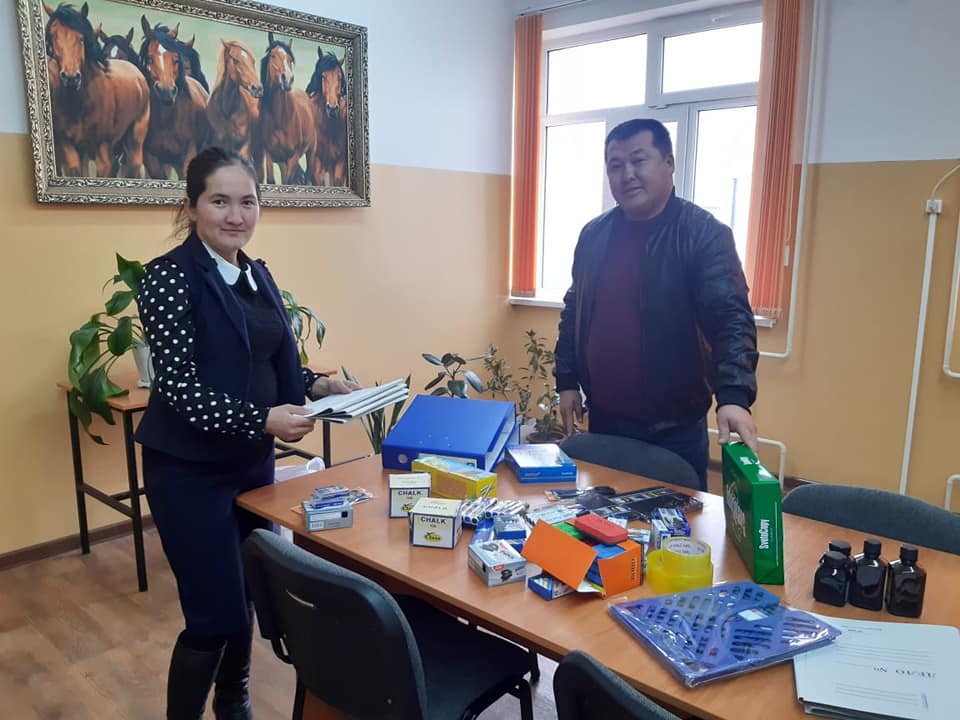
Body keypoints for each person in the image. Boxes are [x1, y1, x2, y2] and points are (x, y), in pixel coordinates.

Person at [135, 146, 359, 720]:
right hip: (189, 471)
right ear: (191, 207)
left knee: (249, 592)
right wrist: (262, 419)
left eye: (248, 202)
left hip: (250, 465)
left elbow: (270, 361)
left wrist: (318, 385)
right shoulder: (168, 277)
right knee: (213, 614)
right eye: (220, 202)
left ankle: (233, 701)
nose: (236, 216)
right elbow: (178, 389)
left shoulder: (257, 273)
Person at [554, 118, 758, 490]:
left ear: (669, 163)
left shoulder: (703, 234)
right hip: (605, 421)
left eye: (638, 160)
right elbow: (575, 310)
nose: (627, 174)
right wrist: (566, 381)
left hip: (673, 430)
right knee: (603, 519)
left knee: (679, 520)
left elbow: (731, 319)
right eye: (616, 165)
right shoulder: (594, 235)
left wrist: (733, 396)